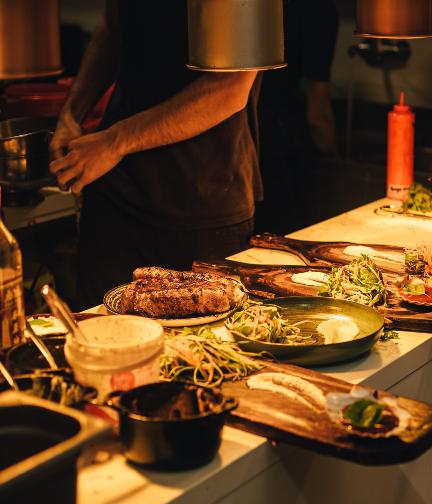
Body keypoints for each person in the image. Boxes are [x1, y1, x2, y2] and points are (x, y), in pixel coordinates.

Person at [50, 0, 262, 309]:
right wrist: (71, 115)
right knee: (98, 333)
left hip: (203, 201)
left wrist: (114, 142)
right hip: (115, 198)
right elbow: (113, 28)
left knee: (205, 337)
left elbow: (231, 87)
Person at [256, 0, 338, 235]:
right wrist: (336, 160)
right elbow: (317, 115)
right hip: (282, 154)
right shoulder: (319, 11)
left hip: (243, 146)